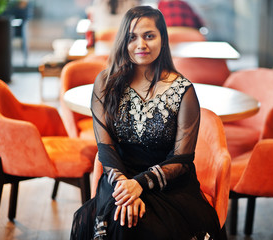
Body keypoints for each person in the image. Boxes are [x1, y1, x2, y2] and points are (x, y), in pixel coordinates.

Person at [70, 5, 220, 240]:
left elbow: (182, 159)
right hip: (118, 175)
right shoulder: (105, 83)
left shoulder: (183, 91)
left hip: (168, 183)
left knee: (145, 227)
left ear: (162, 38)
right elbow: (106, 148)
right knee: (121, 219)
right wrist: (125, 188)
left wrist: (140, 184)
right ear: (123, 41)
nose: (141, 44)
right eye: (132, 37)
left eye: (149, 35)